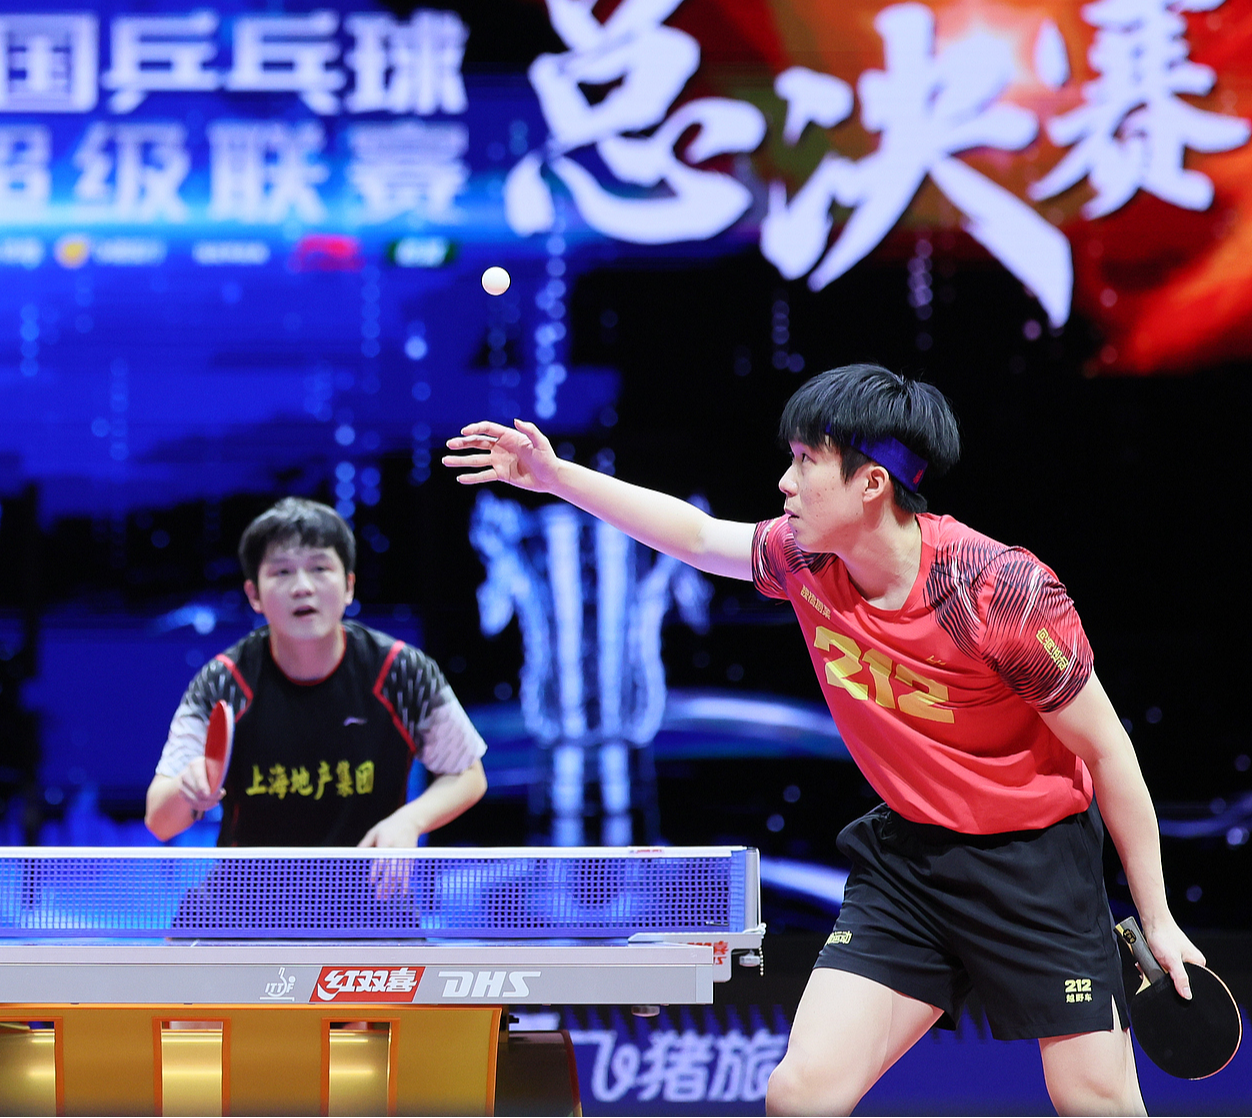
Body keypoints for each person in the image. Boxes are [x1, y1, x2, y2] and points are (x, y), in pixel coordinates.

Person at [444, 364, 1200, 1116]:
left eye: (806, 462)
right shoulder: (805, 562)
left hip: (1036, 866)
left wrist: (1157, 919)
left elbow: (1107, 752)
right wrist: (554, 476)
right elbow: (701, 535)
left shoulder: (1000, 594)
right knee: (801, 1093)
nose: (784, 482)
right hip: (909, 864)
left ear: (872, 483)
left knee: (1092, 1097)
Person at [144, 497, 488, 847]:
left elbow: (467, 773)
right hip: (247, 899)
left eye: (320, 568)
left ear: (349, 586)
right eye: (281, 572)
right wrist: (188, 791)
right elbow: (159, 820)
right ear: (254, 595)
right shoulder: (223, 682)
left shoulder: (400, 672)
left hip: (370, 898)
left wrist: (411, 820)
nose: (302, 587)